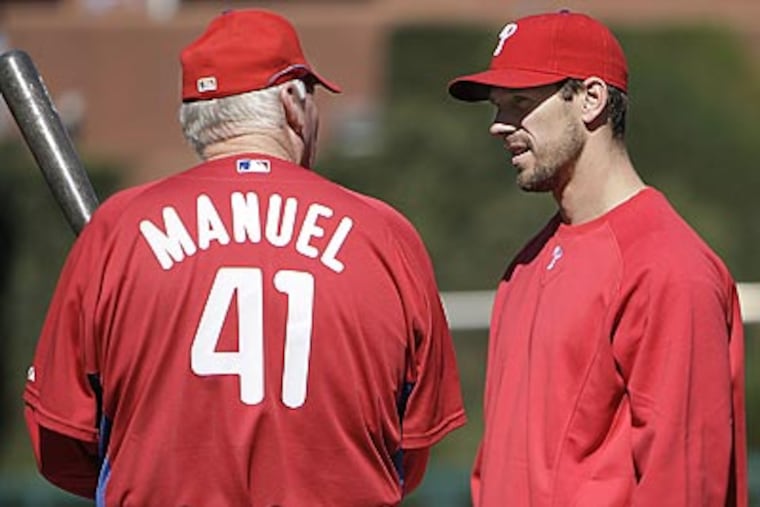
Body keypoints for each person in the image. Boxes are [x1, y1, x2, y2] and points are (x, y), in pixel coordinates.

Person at [23, 9, 466, 506]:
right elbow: (412, 450)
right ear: (291, 101)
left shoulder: (118, 229)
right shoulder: (385, 234)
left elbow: (58, 439)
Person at [447, 10, 747, 506]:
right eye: (498, 107)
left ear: (591, 99)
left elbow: (687, 482)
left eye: (520, 102)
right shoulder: (525, 264)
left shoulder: (668, 267)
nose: (499, 126)